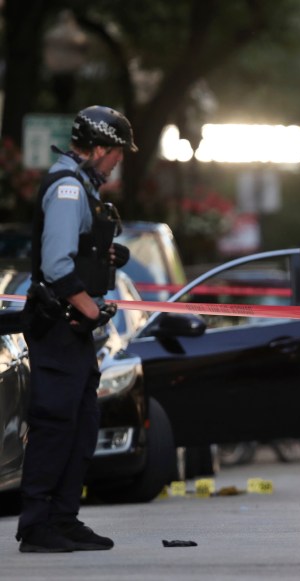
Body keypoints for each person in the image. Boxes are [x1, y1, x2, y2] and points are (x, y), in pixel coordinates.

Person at [17, 106, 137, 553]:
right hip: (59, 324)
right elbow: (56, 266)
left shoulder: (83, 185)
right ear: (100, 148)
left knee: (82, 423)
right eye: (117, 153)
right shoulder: (68, 188)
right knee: (55, 423)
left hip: (72, 327)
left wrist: (104, 255)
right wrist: (90, 310)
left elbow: (77, 251)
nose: (119, 161)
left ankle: (63, 518)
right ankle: (37, 524)